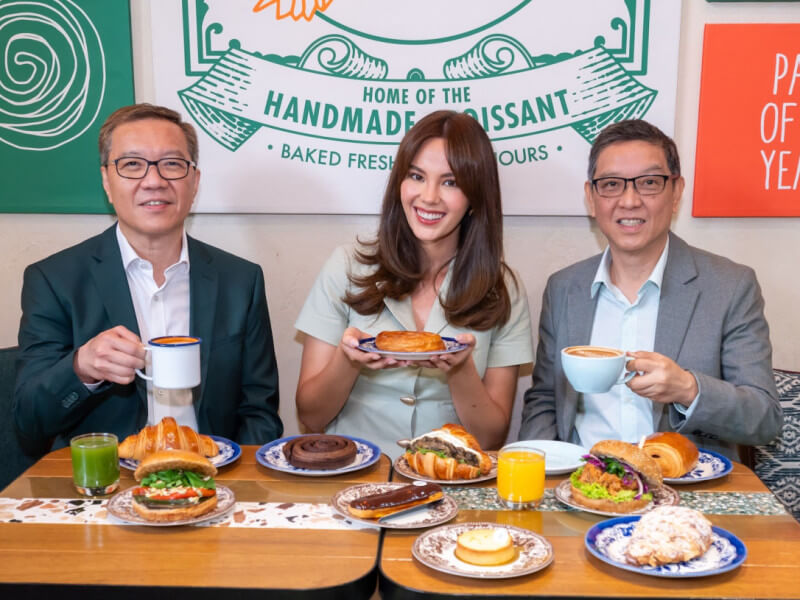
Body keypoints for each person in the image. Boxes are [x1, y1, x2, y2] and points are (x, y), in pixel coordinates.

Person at [14, 103, 283, 451]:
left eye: (172, 164)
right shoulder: (54, 280)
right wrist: (80, 368)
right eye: (132, 165)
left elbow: (259, 412)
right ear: (107, 182)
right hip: (108, 486)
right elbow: (28, 421)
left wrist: (233, 476)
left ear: (194, 181)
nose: (154, 181)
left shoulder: (241, 281)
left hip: (214, 481)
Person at [519, 119, 782, 460]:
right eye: (611, 184)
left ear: (676, 193)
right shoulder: (564, 288)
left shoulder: (730, 286)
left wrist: (688, 388)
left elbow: (765, 420)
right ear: (591, 197)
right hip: (583, 486)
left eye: (648, 183)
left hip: (685, 493)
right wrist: (542, 473)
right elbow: (545, 399)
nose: (629, 201)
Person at [294, 110, 533, 459]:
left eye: (450, 182)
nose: (429, 196)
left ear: (475, 197)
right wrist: (348, 361)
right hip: (353, 472)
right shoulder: (346, 267)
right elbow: (310, 417)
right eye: (417, 176)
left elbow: (491, 437)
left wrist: (460, 369)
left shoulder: (502, 288)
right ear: (400, 184)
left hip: (450, 478)